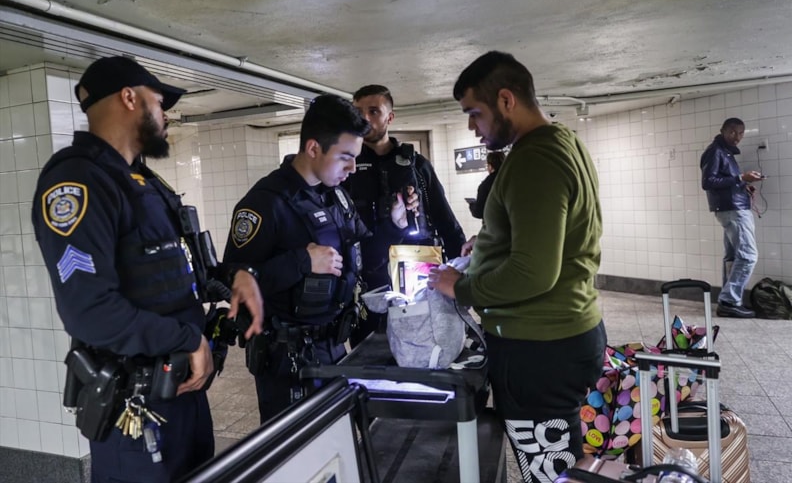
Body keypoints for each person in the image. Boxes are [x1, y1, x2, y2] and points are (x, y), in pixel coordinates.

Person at [32, 56, 264, 483]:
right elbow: (91, 313)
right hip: (136, 410)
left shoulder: (146, 183)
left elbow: (181, 269)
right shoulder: (78, 182)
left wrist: (236, 276)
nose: (166, 114)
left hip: (183, 393)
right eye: (160, 102)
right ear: (129, 98)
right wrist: (186, 338)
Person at [427, 51, 606, 482]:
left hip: (539, 347)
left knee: (549, 474)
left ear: (506, 100)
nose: (473, 127)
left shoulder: (533, 160)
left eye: (475, 113)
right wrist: (489, 243)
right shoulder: (562, 141)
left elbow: (533, 272)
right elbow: (550, 234)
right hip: (563, 336)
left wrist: (460, 287)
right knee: (563, 462)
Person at [223, 94, 410, 423]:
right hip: (288, 361)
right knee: (297, 450)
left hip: (334, 349)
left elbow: (361, 254)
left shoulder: (335, 197)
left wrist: (394, 226)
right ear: (313, 148)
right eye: (345, 158)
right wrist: (300, 262)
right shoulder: (267, 202)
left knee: (336, 442)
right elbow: (232, 282)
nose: (352, 168)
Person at [345, 84, 466, 346]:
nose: (364, 118)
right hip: (370, 283)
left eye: (373, 111)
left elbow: (446, 221)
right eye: (358, 112)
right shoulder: (346, 168)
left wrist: (461, 274)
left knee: (422, 349)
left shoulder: (417, 166)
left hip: (417, 278)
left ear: (390, 117)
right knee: (368, 354)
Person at [700, 118, 763, 318]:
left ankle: (729, 300)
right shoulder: (715, 151)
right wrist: (740, 178)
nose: (737, 137)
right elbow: (708, 182)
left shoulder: (725, 152)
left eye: (741, 133)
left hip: (732, 207)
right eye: (733, 132)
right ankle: (729, 300)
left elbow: (724, 181)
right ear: (723, 131)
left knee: (733, 256)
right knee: (748, 256)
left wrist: (743, 186)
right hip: (733, 210)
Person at [468, 150, 505, 219]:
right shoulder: (512, 179)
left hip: (494, 223)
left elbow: (479, 212)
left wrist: (472, 205)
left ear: (490, 166)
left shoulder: (485, 185)